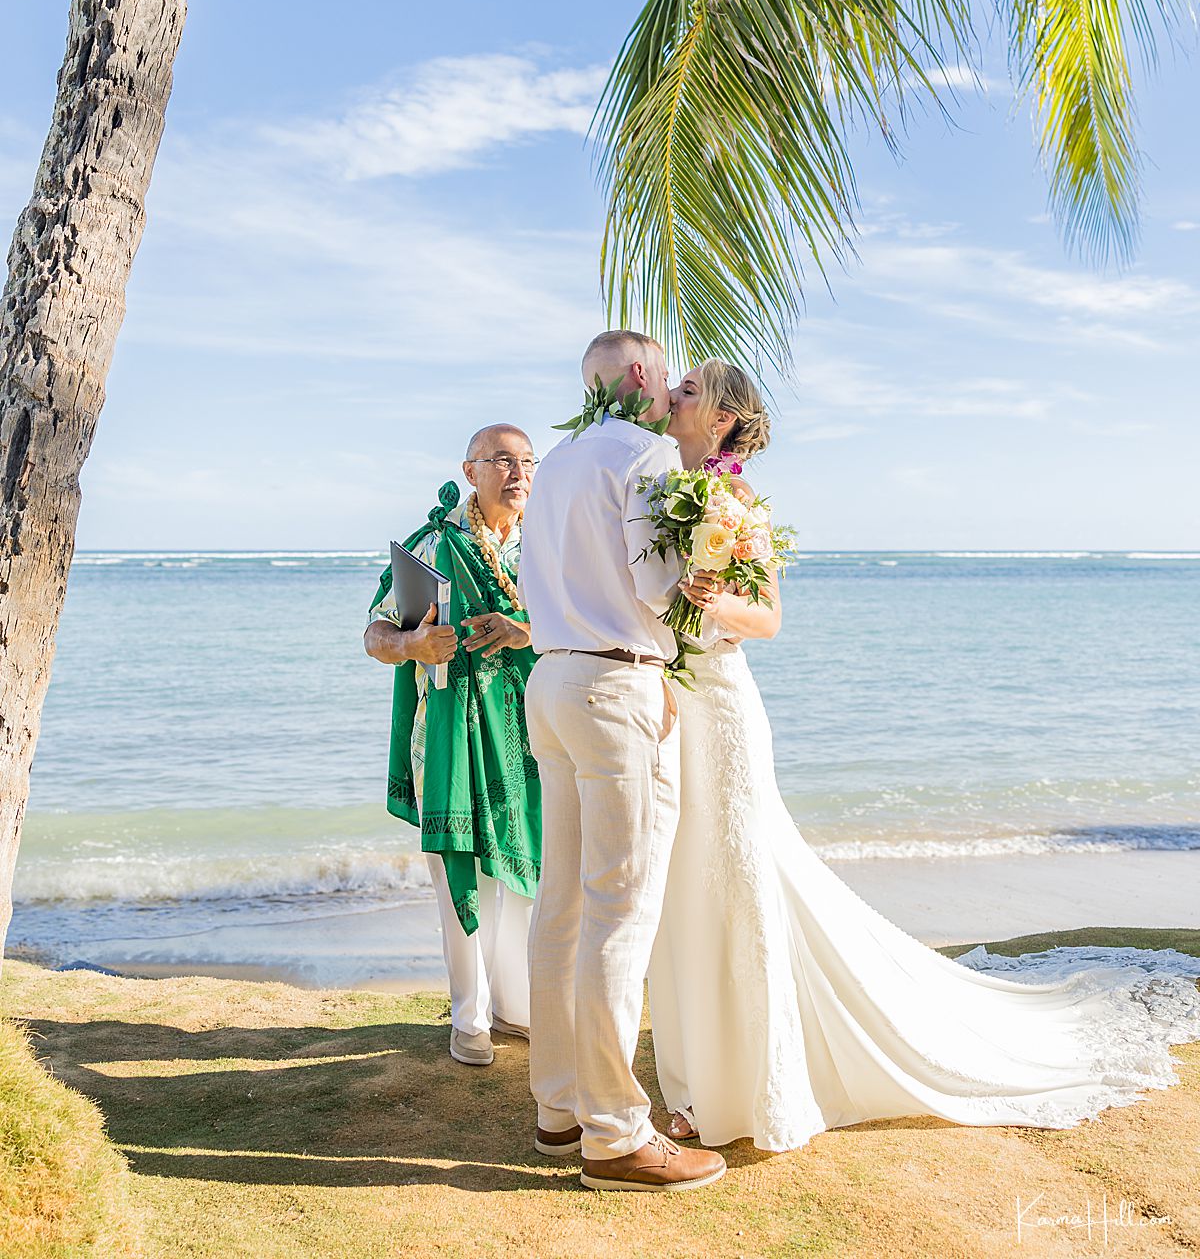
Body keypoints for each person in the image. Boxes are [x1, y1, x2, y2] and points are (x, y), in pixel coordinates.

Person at [649, 359, 1200, 1151]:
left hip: (725, 709)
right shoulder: (662, 494)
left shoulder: (736, 506)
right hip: (673, 704)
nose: (673, 397)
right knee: (684, 878)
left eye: (690, 391)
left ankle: (745, 1077)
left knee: (734, 877)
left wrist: (714, 598)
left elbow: (767, 617)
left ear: (724, 420)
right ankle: (698, 1063)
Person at [518, 330, 726, 1193]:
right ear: (641, 377)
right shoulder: (643, 456)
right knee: (620, 907)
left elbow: (539, 586)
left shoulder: (559, 462)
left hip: (551, 680)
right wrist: (704, 582)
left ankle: (559, 1106)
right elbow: (653, 586)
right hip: (611, 690)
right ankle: (615, 1133)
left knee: (562, 901)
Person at [365, 424, 540, 1067]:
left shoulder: (550, 545)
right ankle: (469, 1015)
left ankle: (516, 1007)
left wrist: (524, 631)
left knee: (526, 871)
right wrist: (412, 645)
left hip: (529, 732)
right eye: (501, 461)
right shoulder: (434, 545)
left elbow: (580, 625)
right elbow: (375, 633)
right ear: (470, 471)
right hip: (446, 730)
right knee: (458, 871)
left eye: (526, 462)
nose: (517, 473)